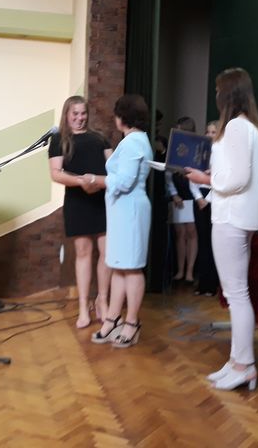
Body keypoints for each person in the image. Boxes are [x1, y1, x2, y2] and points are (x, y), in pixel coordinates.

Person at [186, 68, 258, 391]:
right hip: (242, 218)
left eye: (218, 90)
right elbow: (239, 172)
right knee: (238, 293)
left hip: (230, 217)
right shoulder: (253, 128)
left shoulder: (235, 126)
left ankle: (244, 365)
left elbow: (237, 179)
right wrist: (214, 172)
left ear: (228, 94)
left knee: (236, 294)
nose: (216, 95)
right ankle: (237, 361)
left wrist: (205, 179)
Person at [89, 94, 153, 348]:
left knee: (132, 267)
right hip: (122, 210)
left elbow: (125, 182)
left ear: (122, 117)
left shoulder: (133, 142)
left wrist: (95, 180)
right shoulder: (133, 140)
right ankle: (113, 318)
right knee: (118, 266)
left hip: (131, 210)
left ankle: (132, 322)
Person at [48, 96, 112, 329]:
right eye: (74, 114)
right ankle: (83, 307)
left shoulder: (100, 138)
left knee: (107, 253)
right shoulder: (58, 140)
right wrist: (82, 182)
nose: (79, 118)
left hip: (103, 200)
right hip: (77, 202)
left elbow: (113, 167)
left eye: (83, 113)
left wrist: (98, 182)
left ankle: (102, 300)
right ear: (67, 115)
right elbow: (56, 173)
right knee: (83, 253)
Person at [167, 116, 199, 283]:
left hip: (192, 192)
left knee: (192, 232)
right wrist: (173, 194)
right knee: (180, 233)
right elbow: (168, 174)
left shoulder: (196, 148)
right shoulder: (174, 149)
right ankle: (180, 270)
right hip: (178, 193)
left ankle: (190, 272)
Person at [193, 120, 219, 296]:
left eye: (213, 132)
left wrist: (208, 199)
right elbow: (191, 176)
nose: (209, 135)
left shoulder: (222, 153)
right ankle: (202, 284)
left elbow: (222, 179)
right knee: (202, 242)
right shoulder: (200, 152)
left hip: (214, 199)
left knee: (213, 243)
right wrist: (198, 197)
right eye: (207, 132)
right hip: (200, 198)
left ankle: (213, 284)